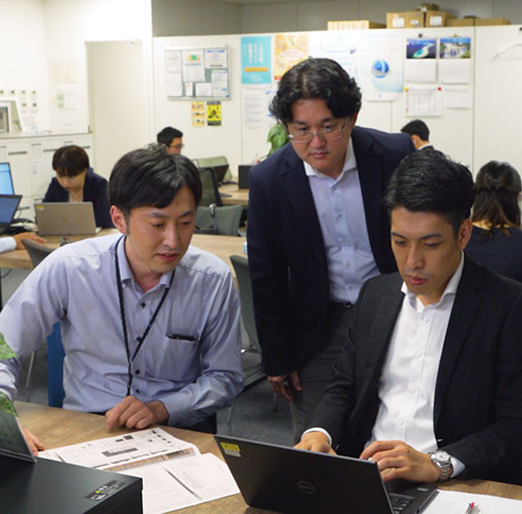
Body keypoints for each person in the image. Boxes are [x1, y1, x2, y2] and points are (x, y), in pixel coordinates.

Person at [296, 150, 522, 486]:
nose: (412, 261)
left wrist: (438, 464)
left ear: (463, 234)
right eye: (400, 242)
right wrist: (319, 432)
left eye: (430, 245)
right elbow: (344, 387)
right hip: (370, 476)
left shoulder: (510, 306)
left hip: (457, 482)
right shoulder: (376, 295)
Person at [0, 146, 243, 451]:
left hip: (177, 428)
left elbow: (225, 377)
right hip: (86, 426)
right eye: (157, 224)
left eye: (185, 222)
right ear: (119, 219)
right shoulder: (71, 268)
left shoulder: (212, 280)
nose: (173, 240)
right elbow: (4, 346)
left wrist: (162, 408)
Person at [247, 57, 414, 440]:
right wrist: (277, 357)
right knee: (318, 439)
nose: (316, 142)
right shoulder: (270, 180)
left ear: (351, 118)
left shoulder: (393, 155)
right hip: (318, 326)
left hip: (395, 311)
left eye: (328, 127)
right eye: (301, 130)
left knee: (401, 426)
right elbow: (266, 275)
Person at [465, 161, 522, 325]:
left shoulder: (459, 240)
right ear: (517, 197)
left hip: (464, 335)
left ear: (476, 197)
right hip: (515, 336)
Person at [43, 145, 114, 228]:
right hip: (63, 234)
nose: (65, 182)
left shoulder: (99, 185)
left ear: (84, 171)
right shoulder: (55, 184)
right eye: (60, 176)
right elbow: (43, 216)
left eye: (71, 177)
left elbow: (105, 221)